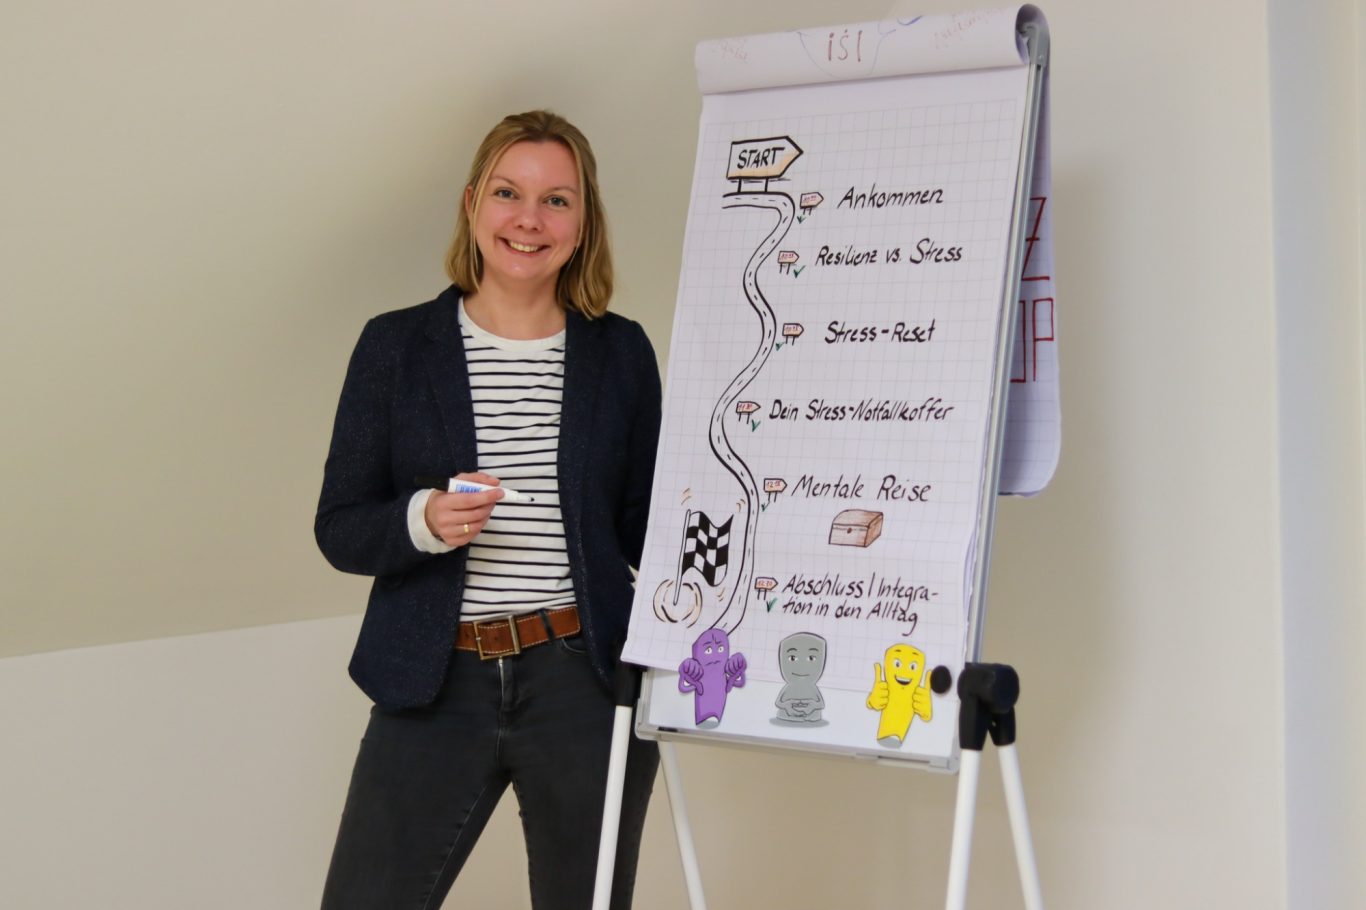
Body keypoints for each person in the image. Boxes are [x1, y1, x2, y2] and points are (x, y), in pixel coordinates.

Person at [315, 110, 661, 910]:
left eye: (557, 200)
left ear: (584, 222)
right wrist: (421, 521)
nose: (529, 220)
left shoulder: (621, 352)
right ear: (473, 204)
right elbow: (339, 526)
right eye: (509, 193)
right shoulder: (394, 347)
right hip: (432, 683)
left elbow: (647, 529)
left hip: (585, 681)